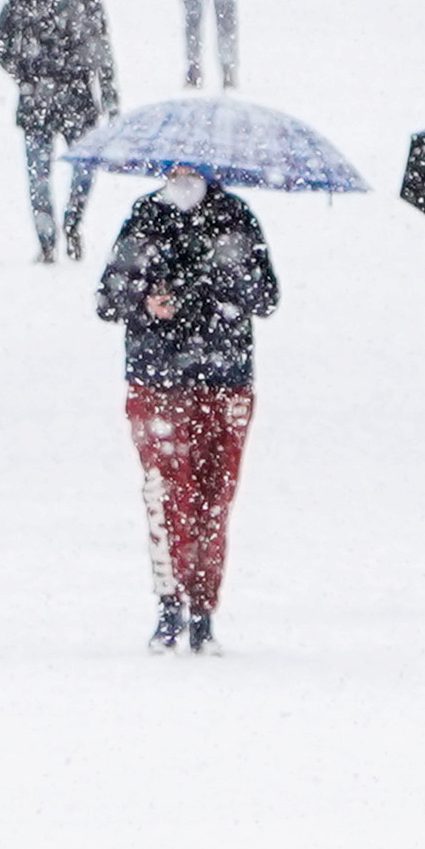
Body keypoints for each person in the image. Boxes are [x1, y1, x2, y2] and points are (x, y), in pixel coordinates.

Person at [95, 166, 276, 651]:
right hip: (158, 379)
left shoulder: (235, 217)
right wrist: (144, 301)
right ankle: (170, 603)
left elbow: (265, 295)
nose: (183, 175)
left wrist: (217, 285)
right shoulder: (146, 217)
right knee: (168, 493)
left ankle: (203, 608)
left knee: (215, 497)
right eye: (174, 166)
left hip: (226, 380)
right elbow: (108, 298)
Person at [0, 0, 116, 266]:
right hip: (37, 99)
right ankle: (46, 239)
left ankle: (72, 222)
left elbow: (101, 48)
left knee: (84, 169)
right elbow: (1, 43)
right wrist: (24, 74)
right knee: (38, 176)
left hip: (77, 95)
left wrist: (109, 94)